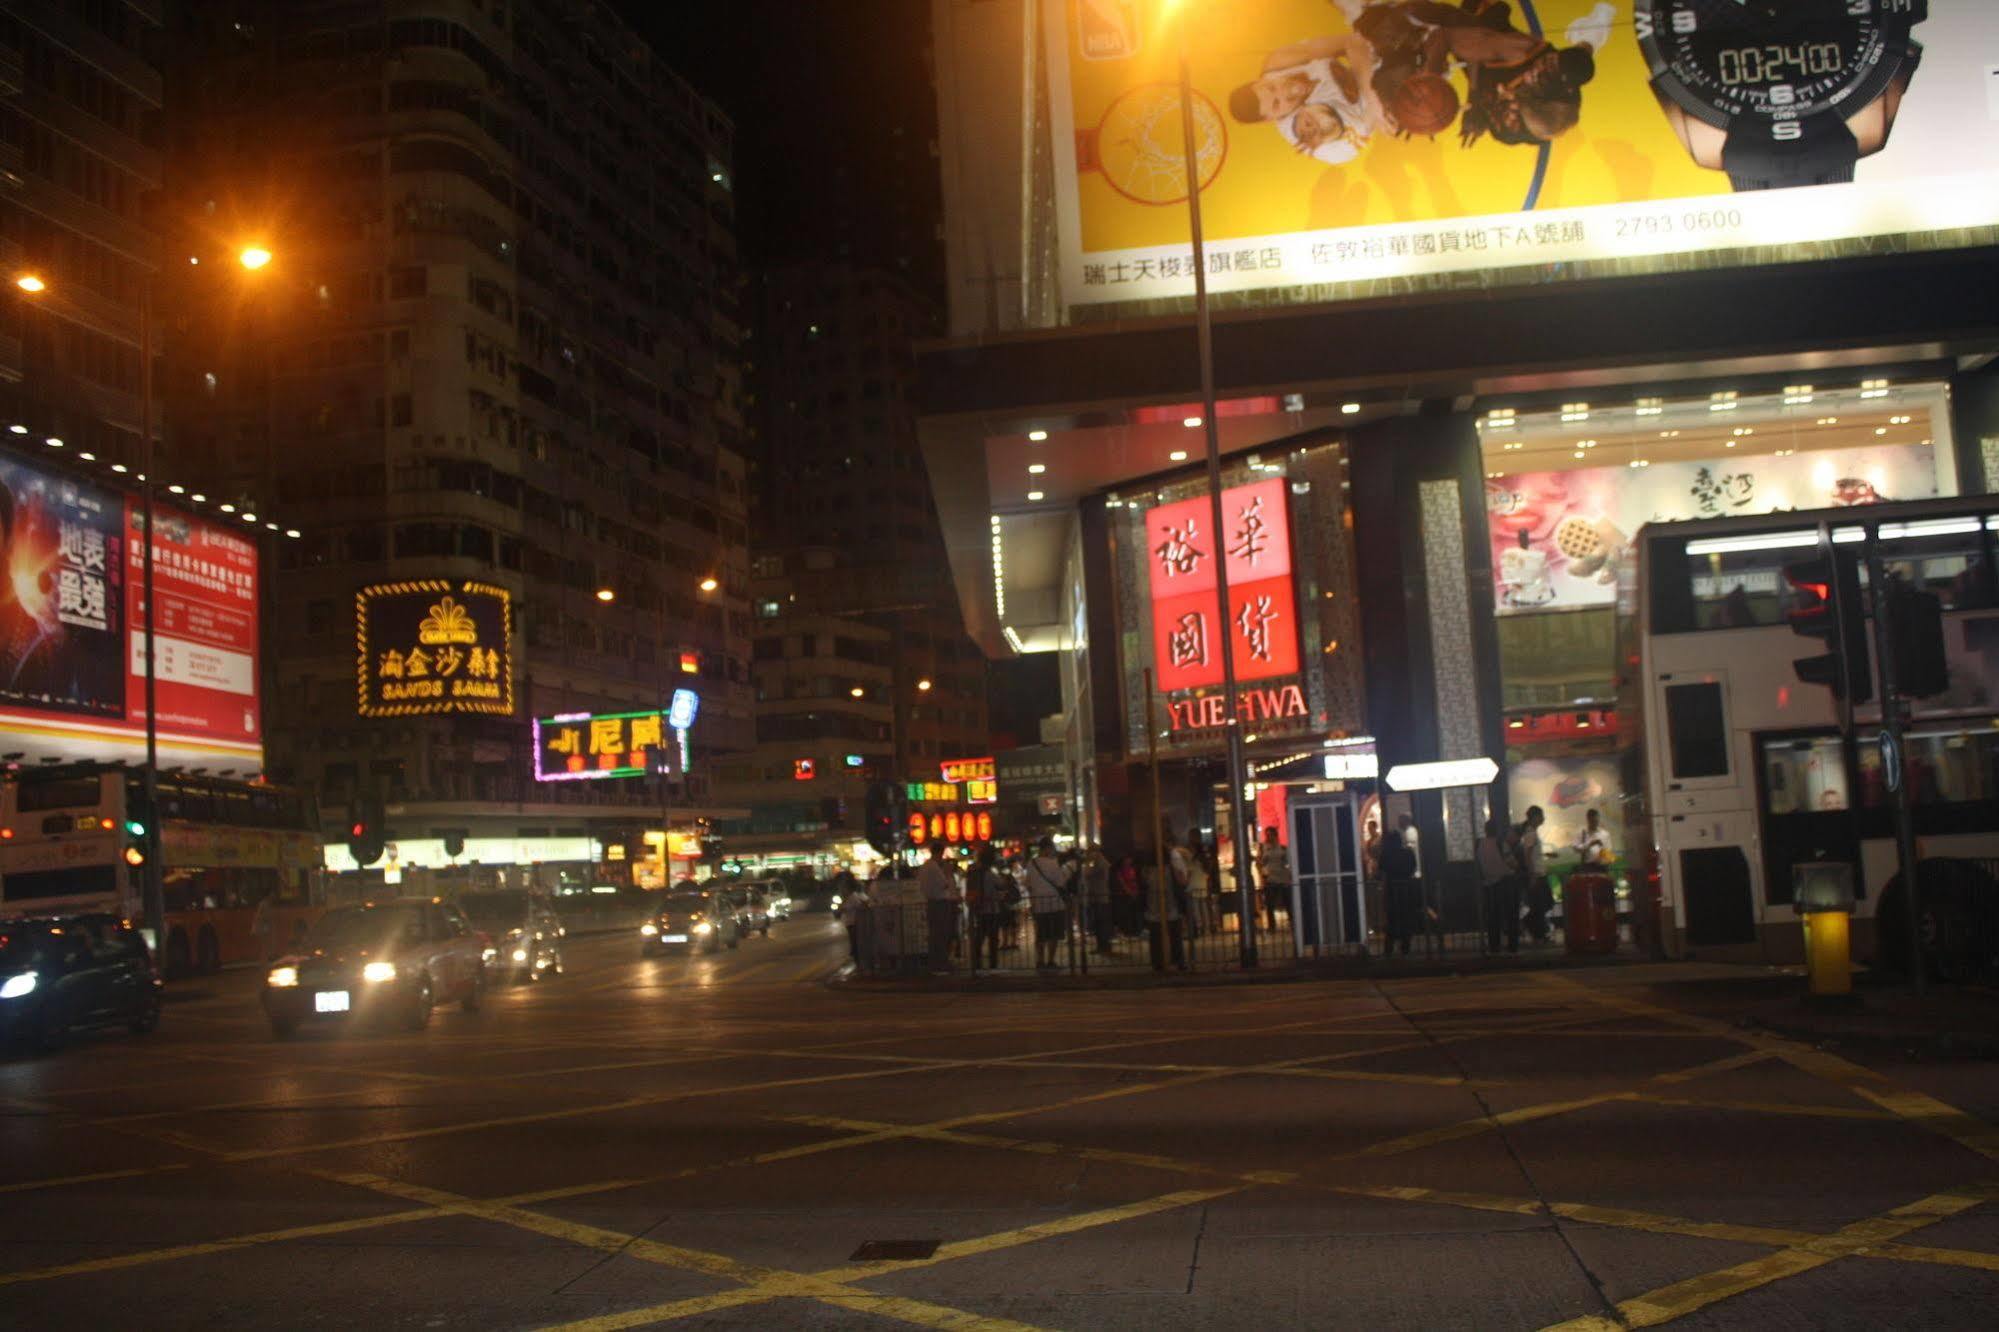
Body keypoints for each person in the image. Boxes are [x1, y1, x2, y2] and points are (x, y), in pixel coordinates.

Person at [1024, 837, 1072, 971]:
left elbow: (1027, 884)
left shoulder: (1031, 863)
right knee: (1054, 934)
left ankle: (1040, 961)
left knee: (1041, 935)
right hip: (1054, 903)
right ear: (1048, 848)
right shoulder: (1053, 863)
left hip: (1039, 904)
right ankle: (1051, 961)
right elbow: (1061, 883)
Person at [1476, 815, 1519, 954]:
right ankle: (1512, 946)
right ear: (1497, 830)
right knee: (1510, 915)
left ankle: (1494, 946)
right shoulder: (1501, 843)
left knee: (1493, 917)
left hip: (1488, 884)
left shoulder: (1479, 844)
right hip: (1505, 882)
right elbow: (1512, 862)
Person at [917, 845, 959, 973]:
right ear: (939, 853)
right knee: (941, 934)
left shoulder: (925, 866)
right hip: (939, 903)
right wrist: (947, 873)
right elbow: (944, 884)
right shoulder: (934, 867)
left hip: (931, 902)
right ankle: (941, 962)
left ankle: (936, 962)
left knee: (935, 934)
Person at [1379, 827, 1420, 956]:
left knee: (1392, 919)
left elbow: (1381, 871)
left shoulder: (1385, 854)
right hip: (1406, 888)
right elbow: (1413, 868)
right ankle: (1405, 947)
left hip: (1391, 889)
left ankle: (1389, 949)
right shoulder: (1408, 853)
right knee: (1406, 918)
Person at [966, 846, 1005, 970]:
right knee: (993, 939)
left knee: (980, 937)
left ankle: (977, 964)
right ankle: (993, 965)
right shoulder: (989, 873)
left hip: (978, 908)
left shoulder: (974, 872)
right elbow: (1000, 884)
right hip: (991, 909)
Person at [1517, 804, 1552, 942]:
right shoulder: (1530, 832)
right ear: (1535, 817)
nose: (1543, 818)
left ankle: (1537, 931)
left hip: (1538, 873)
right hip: (1536, 875)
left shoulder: (1531, 832)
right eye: (1541, 815)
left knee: (1541, 904)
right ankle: (1538, 932)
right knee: (1541, 904)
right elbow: (1527, 854)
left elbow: (1532, 854)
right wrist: (1531, 875)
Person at [1081, 844, 1114, 956]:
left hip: (1100, 897)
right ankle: (1102, 946)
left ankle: (1104, 946)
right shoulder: (1099, 861)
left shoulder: (1099, 862)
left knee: (1101, 923)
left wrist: (1086, 863)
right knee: (1099, 923)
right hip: (1098, 896)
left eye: (1090, 851)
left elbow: (1087, 874)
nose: (1088, 854)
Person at [1257, 826, 1291, 932]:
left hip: (1282, 877)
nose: (1269, 837)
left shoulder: (1282, 848)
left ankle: (1292, 921)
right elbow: (1260, 863)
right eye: (1268, 835)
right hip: (1271, 878)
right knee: (1270, 903)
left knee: (1287, 902)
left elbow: (1287, 862)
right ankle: (1272, 926)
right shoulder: (1264, 848)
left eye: (1271, 834)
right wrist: (1263, 874)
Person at [1112, 853, 1143, 937]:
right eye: (1127, 859)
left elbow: (1135, 880)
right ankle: (1128, 931)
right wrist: (1128, 891)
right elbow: (1122, 882)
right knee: (1127, 913)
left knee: (1136, 913)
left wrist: (1136, 891)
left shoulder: (1133, 869)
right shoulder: (1120, 871)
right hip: (1126, 894)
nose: (1129, 861)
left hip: (1135, 892)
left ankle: (1137, 930)